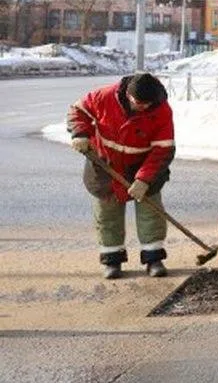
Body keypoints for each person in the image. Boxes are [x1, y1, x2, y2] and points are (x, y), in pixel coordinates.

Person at [66, 73, 175, 280]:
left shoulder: (162, 111)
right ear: (127, 94)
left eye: (146, 105)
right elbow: (77, 111)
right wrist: (80, 133)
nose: (141, 108)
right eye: (137, 103)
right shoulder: (103, 96)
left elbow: (163, 149)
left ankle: (154, 258)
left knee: (151, 214)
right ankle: (112, 260)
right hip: (105, 165)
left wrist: (144, 179)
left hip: (144, 166)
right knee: (107, 215)